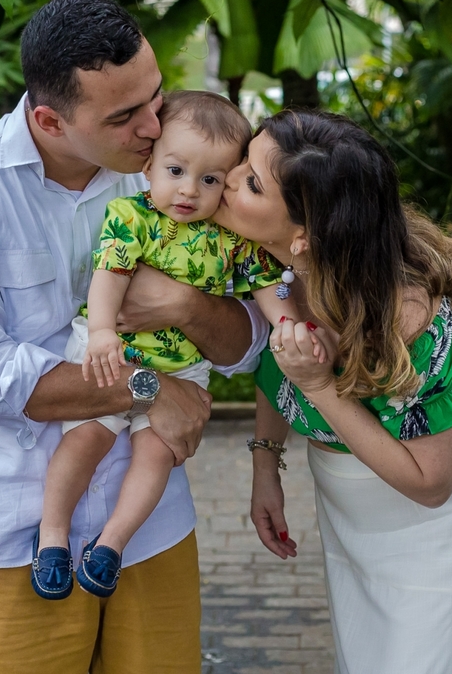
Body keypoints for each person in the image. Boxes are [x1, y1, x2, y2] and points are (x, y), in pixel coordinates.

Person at [0, 0, 268, 673]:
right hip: (16, 526)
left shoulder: (178, 172)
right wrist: (147, 389)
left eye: (156, 98)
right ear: (50, 119)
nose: (155, 126)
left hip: (148, 523)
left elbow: (247, 342)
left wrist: (187, 306)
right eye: (126, 117)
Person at [213, 110, 452, 674]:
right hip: (356, 508)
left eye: (251, 180)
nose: (229, 175)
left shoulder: (409, 317)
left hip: (447, 509)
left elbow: (432, 484)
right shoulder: (262, 258)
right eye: (243, 159)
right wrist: (266, 464)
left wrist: (319, 386)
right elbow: (277, 364)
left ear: (304, 236)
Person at [36, 91, 299, 599]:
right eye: (176, 171)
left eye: (210, 180)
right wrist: (104, 332)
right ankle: (52, 539)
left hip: (181, 367)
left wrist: (286, 322)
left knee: (156, 454)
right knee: (87, 437)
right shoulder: (131, 217)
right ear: (150, 164)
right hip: (114, 352)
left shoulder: (228, 238)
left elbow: (265, 282)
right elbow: (109, 276)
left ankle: (110, 545)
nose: (188, 191)